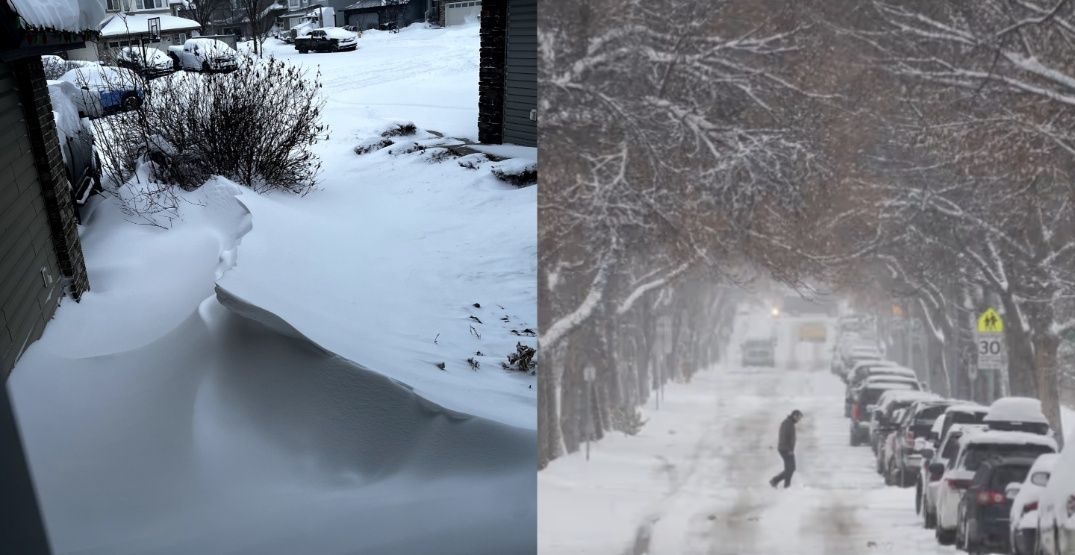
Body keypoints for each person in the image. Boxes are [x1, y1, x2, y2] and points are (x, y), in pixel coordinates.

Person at [769, 409, 803, 489]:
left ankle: (776, 481)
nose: (799, 420)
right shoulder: (788, 423)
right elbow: (784, 437)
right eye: (799, 417)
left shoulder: (789, 423)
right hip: (786, 450)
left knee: (790, 469)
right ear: (795, 416)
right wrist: (789, 450)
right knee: (790, 469)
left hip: (786, 449)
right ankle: (784, 485)